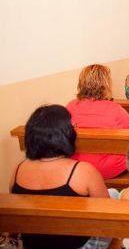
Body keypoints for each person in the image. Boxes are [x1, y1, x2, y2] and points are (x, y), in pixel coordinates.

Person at [11, 105, 111, 249]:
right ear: (65, 134)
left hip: (33, 245)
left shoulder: (17, 171)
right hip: (79, 245)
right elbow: (108, 216)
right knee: (113, 196)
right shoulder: (82, 171)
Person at [67, 64, 129, 178]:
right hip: (109, 168)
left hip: (77, 166)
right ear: (106, 84)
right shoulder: (115, 110)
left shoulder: (71, 106)